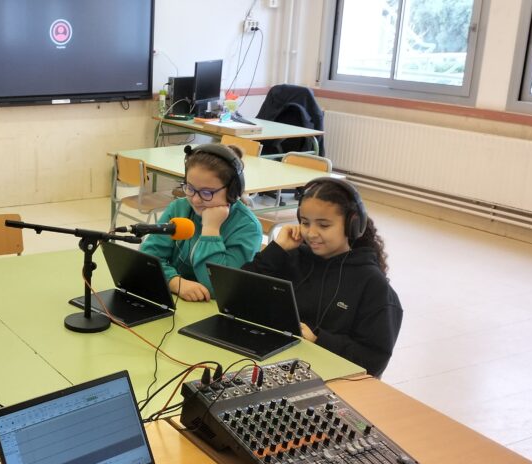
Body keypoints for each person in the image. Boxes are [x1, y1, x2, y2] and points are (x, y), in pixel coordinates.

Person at [244, 178, 402, 377]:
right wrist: (276, 250)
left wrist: (319, 340)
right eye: (305, 223)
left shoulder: (371, 284)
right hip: (275, 364)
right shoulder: (290, 257)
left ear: (352, 225)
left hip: (333, 377)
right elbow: (238, 295)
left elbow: (374, 360)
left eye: (324, 225)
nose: (311, 233)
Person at [139, 143, 263, 302]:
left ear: (232, 191)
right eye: (190, 188)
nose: (195, 200)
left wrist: (210, 229)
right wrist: (175, 282)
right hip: (175, 299)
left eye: (206, 192)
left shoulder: (247, 227)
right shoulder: (179, 208)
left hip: (213, 307)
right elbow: (148, 258)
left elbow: (219, 287)